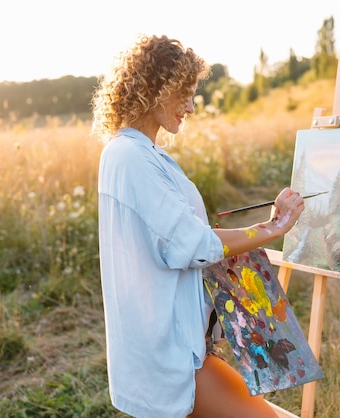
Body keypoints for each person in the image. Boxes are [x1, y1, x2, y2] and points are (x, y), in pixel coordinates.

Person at [91, 34, 305, 418]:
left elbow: (186, 237)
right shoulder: (128, 156)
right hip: (169, 355)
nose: (190, 106)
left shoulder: (146, 154)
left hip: (183, 345)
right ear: (154, 89)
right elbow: (192, 244)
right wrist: (273, 228)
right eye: (183, 93)